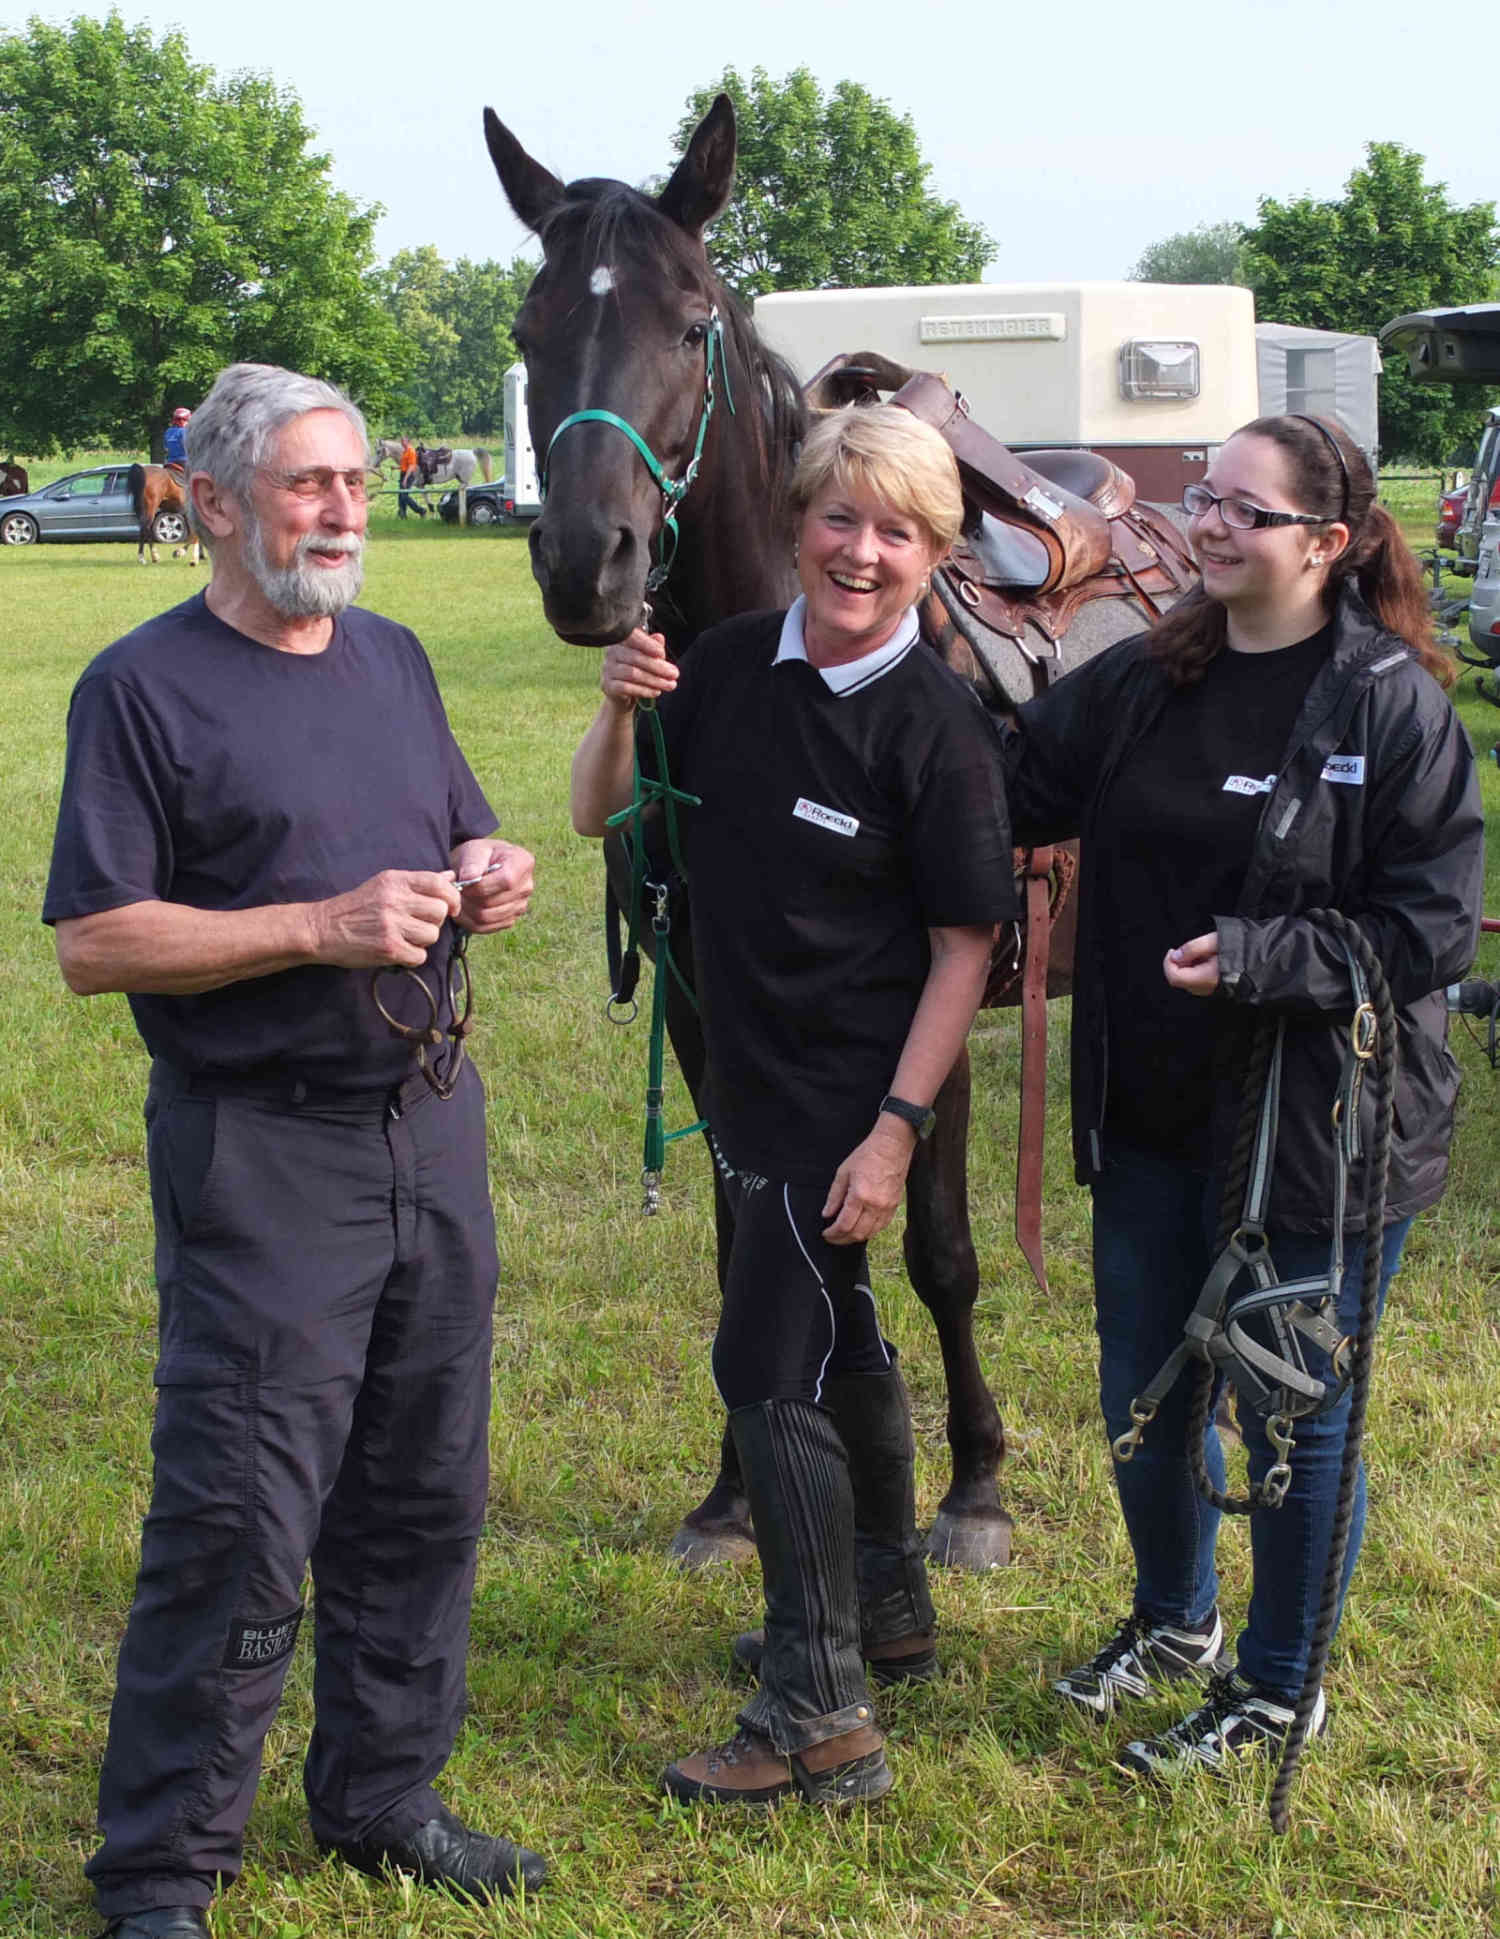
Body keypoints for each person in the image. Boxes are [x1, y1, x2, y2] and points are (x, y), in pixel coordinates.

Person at [43, 362, 546, 1936]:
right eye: (308, 485)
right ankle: (163, 1871)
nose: (344, 511)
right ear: (212, 501)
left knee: (421, 1489)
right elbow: (97, 940)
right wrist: (318, 927)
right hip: (264, 1149)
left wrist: (488, 857)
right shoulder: (141, 688)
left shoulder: (391, 658)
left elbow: (449, 822)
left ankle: (385, 1792)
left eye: (355, 483)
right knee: (242, 1514)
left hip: (427, 1126)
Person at [1001, 414, 1484, 1780]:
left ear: (1327, 543)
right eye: (1202, 495)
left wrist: (1276, 956)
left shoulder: (1388, 702)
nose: (1206, 523)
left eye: (1242, 509)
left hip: (1319, 1140)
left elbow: (1432, 925)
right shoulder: (1152, 677)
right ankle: (1174, 1619)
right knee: (1143, 1398)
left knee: (1288, 1411)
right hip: (1151, 1119)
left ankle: (1281, 1683)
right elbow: (1010, 774)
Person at [571, 403, 1016, 1807]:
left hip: (847, 1095)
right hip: (747, 1076)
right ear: (796, 523)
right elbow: (599, 815)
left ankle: (818, 1711)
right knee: (846, 1331)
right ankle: (886, 1601)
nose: (862, 551)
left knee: (770, 1367)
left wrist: (894, 1127)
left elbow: (964, 946)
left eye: (898, 530)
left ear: (936, 551)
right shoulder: (721, 664)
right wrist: (616, 708)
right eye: (839, 517)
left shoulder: (935, 725)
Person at [398, 433, 426, 519]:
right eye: (401, 441)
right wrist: (396, 467)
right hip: (403, 474)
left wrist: (405, 479)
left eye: (403, 441)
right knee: (400, 496)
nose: (402, 443)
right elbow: (405, 465)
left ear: (408, 441)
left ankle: (421, 510)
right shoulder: (405, 451)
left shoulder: (411, 451)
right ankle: (403, 515)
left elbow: (411, 466)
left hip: (409, 475)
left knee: (404, 496)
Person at [162, 405, 191, 475]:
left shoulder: (168, 431)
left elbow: (165, 447)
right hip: (184, 461)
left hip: (170, 462)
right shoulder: (186, 431)